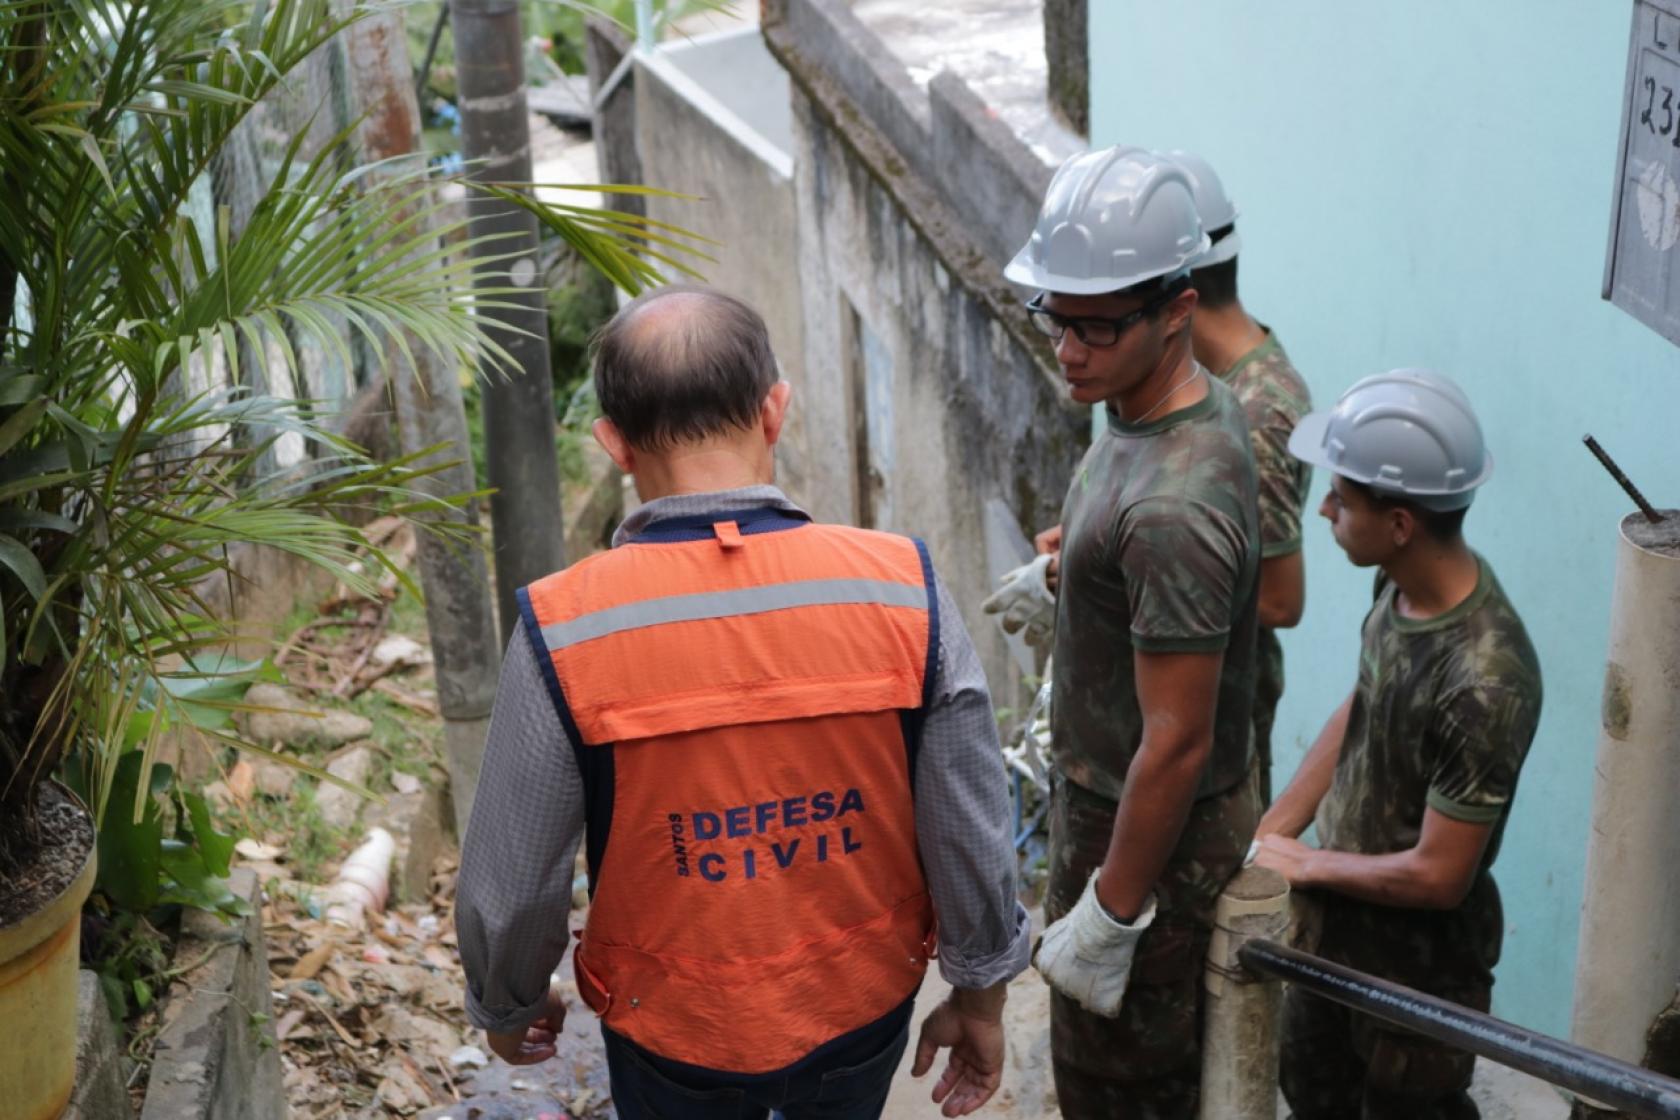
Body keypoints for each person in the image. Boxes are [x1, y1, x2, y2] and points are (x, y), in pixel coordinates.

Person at [454, 285, 1031, 1120]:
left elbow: (509, 884)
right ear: (775, 411)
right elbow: (970, 825)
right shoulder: (903, 589)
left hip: (669, 1028)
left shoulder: (565, 626)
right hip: (859, 1011)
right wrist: (981, 995)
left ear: (614, 444)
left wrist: (507, 1006)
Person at [1009, 146, 1263, 1118]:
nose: (1069, 348)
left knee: (1123, 1089)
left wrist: (1111, 910)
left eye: (1098, 326)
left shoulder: (1175, 507)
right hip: (1113, 802)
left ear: (1177, 309)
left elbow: (1180, 737)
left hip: (1142, 829)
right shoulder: (1146, 401)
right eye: (1057, 319)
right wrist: (1077, 571)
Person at [1254, 370, 1543, 1119]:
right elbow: (1364, 700)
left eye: (1341, 500)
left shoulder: (1485, 679)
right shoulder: (1395, 583)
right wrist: (1276, 829)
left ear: (1401, 522)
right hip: (1332, 941)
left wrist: (1309, 863)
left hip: (1415, 987)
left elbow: (1441, 874)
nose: (1323, 509)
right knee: (1312, 1097)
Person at [1170, 150, 1314, 805]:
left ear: (1174, 297)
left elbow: (1281, 601)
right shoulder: (1208, 383)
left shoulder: (1259, 411)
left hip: (1221, 727)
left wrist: (1139, 570)